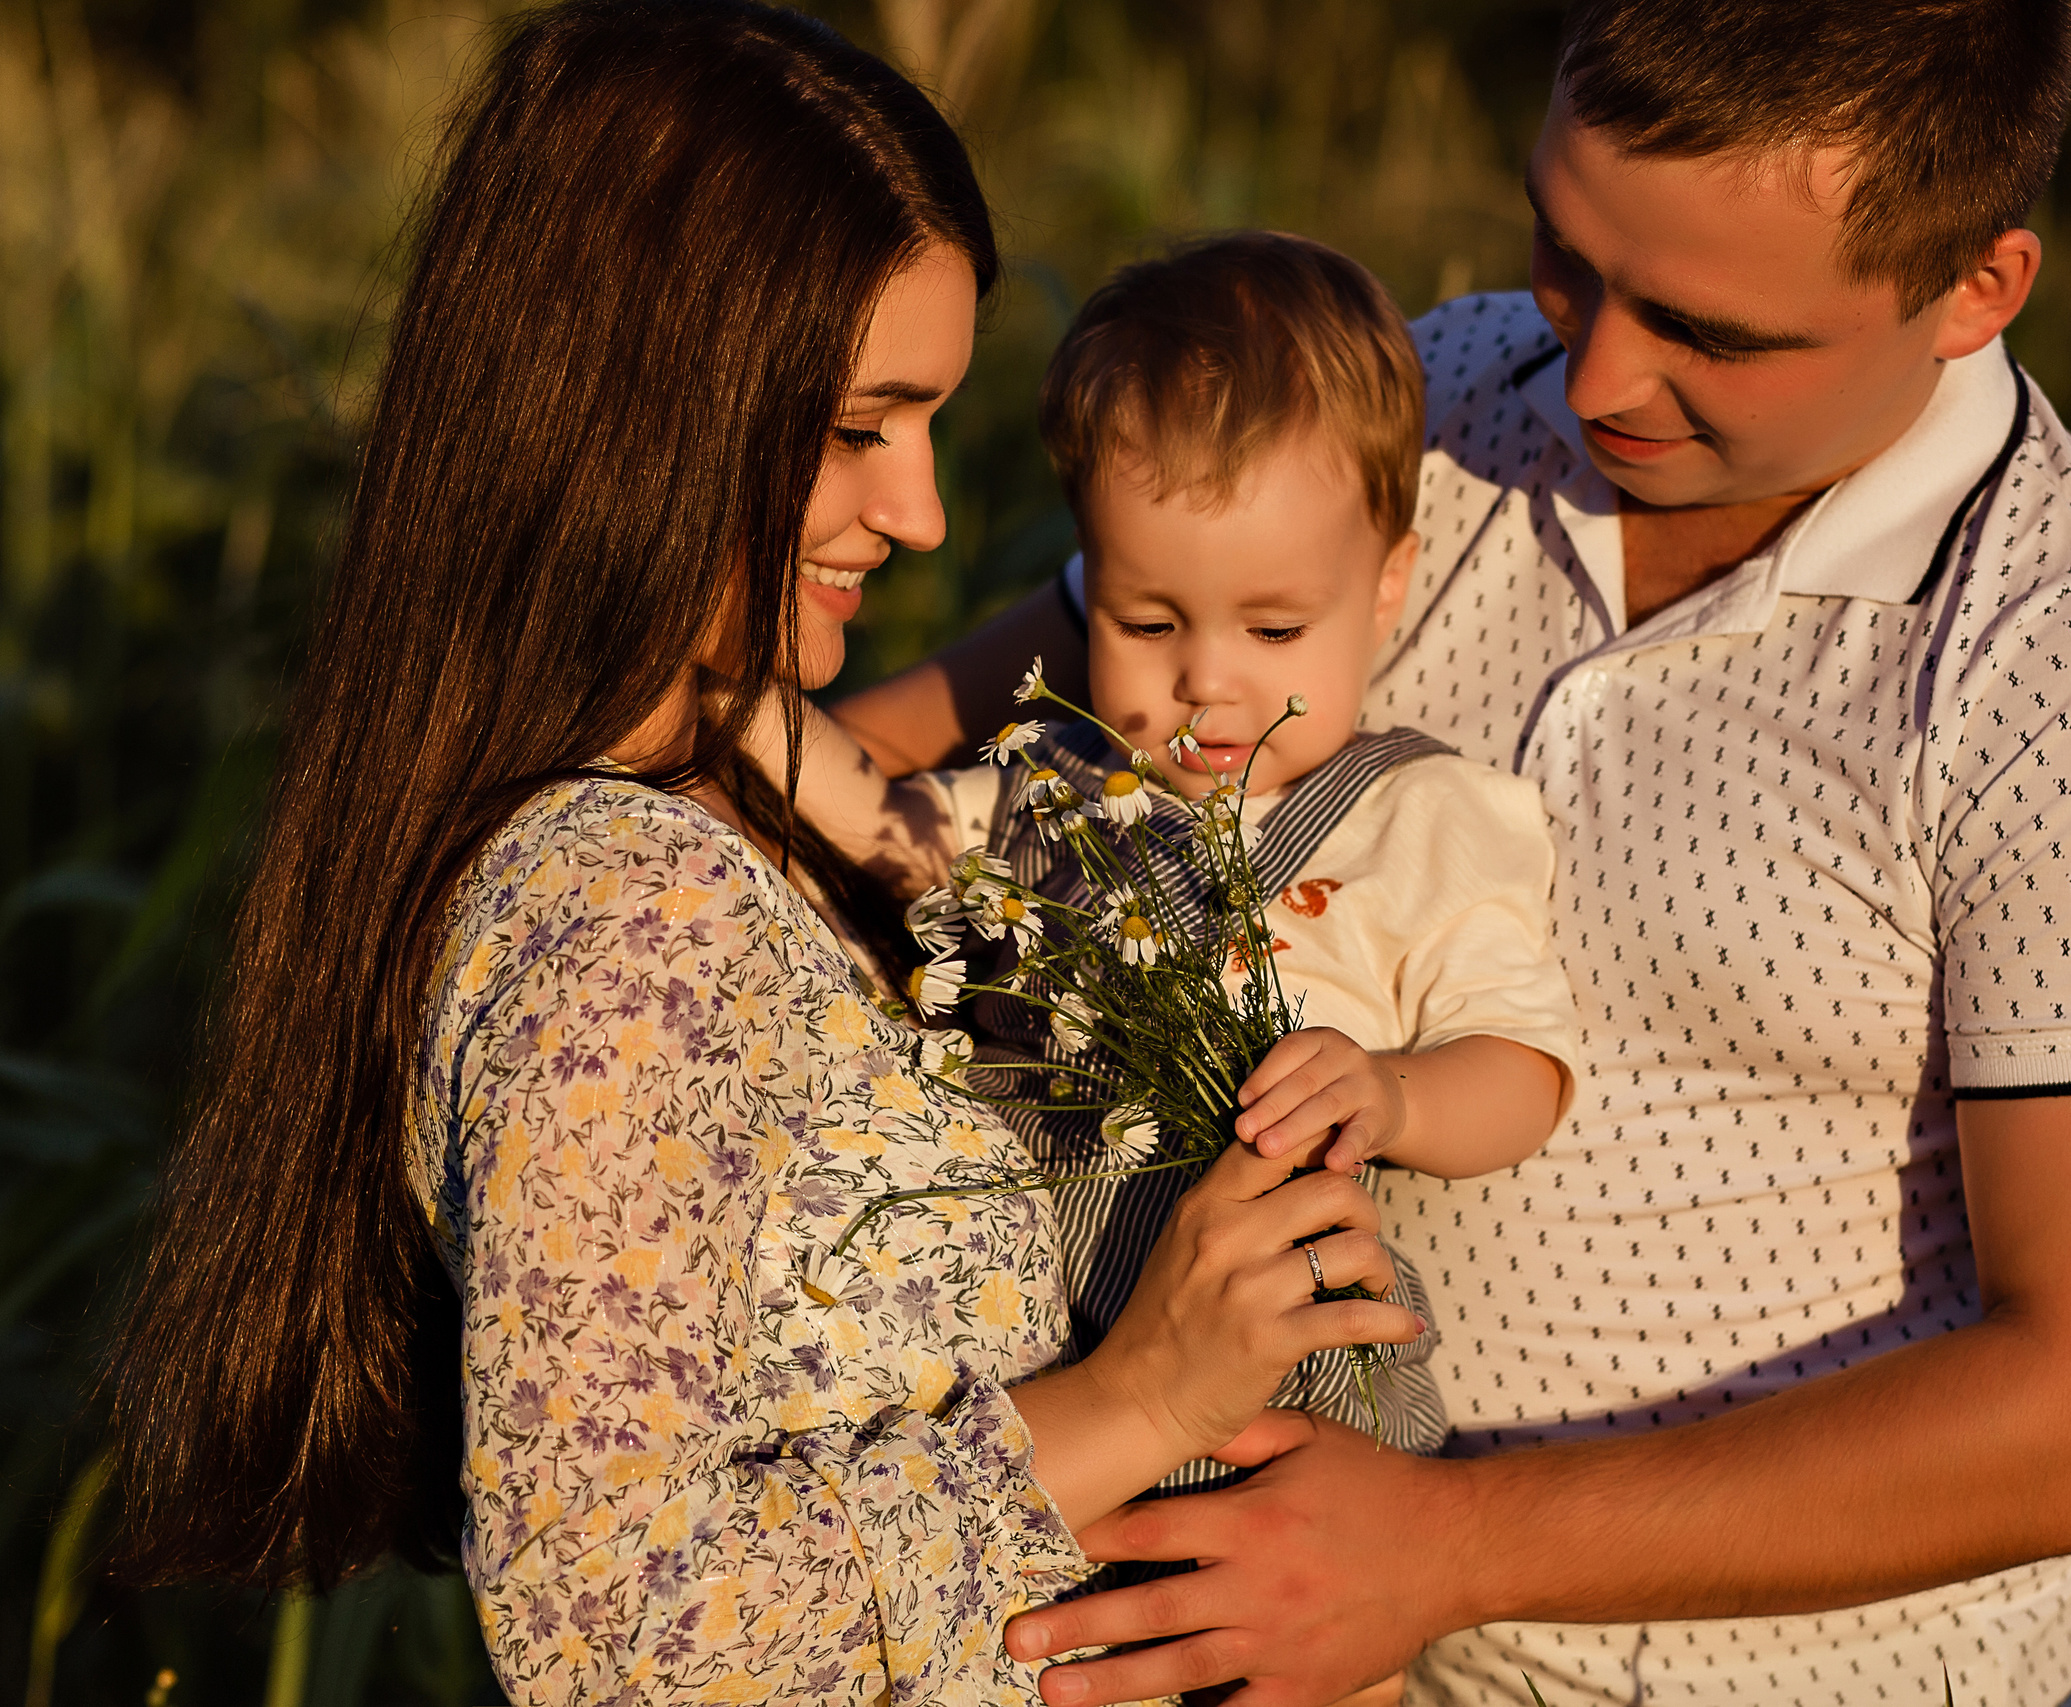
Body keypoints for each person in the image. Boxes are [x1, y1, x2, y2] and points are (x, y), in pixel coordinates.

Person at [832, 1, 2071, 1703]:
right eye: (1565, 256)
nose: (1592, 378)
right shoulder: (1437, 393)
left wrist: (1443, 1547)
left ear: (1977, 286)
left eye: (1709, 332)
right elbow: (944, 734)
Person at [98, 7, 1422, 1703]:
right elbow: (612, 1634)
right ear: (653, 407)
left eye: (931, 424)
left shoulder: (748, 795)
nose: (923, 511)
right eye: (866, 427)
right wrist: (1146, 1394)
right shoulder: (622, 914)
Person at [759, 231, 1582, 1498]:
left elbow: (1525, 1069)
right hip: (1039, 1388)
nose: (1206, 680)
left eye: (1274, 628)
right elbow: (874, 821)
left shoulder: (1419, 818)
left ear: (1387, 590)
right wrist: (720, 705)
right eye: (1145, 623)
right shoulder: (1051, 800)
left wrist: (1394, 1093)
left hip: (1281, 1404)